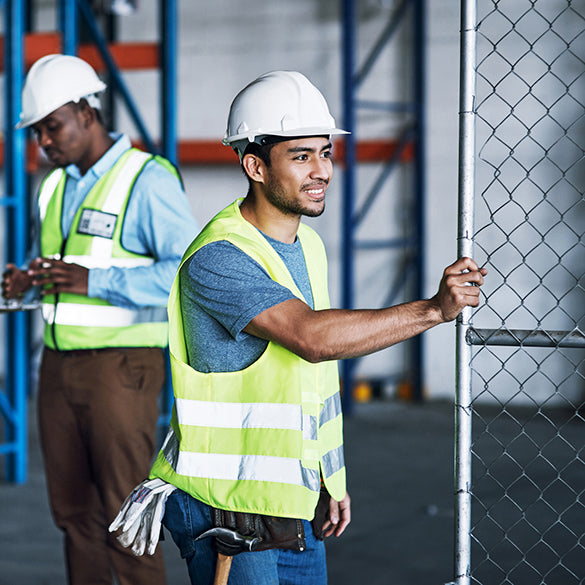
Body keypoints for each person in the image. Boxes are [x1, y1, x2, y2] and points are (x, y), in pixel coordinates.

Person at [115, 70, 486, 585]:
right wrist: (432, 310)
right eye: (300, 156)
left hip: (294, 505)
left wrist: (329, 478)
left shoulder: (307, 246)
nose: (322, 171)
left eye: (326, 153)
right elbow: (312, 339)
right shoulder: (218, 257)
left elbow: (311, 384)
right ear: (255, 166)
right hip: (229, 516)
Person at [1, 54, 198, 585]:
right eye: (38, 131)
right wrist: (28, 286)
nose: (44, 141)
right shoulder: (55, 187)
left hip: (121, 369)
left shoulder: (147, 180)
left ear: (87, 112)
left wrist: (94, 282)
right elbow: (63, 277)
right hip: (59, 369)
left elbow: (183, 274)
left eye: (52, 126)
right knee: (73, 519)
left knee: (124, 519)